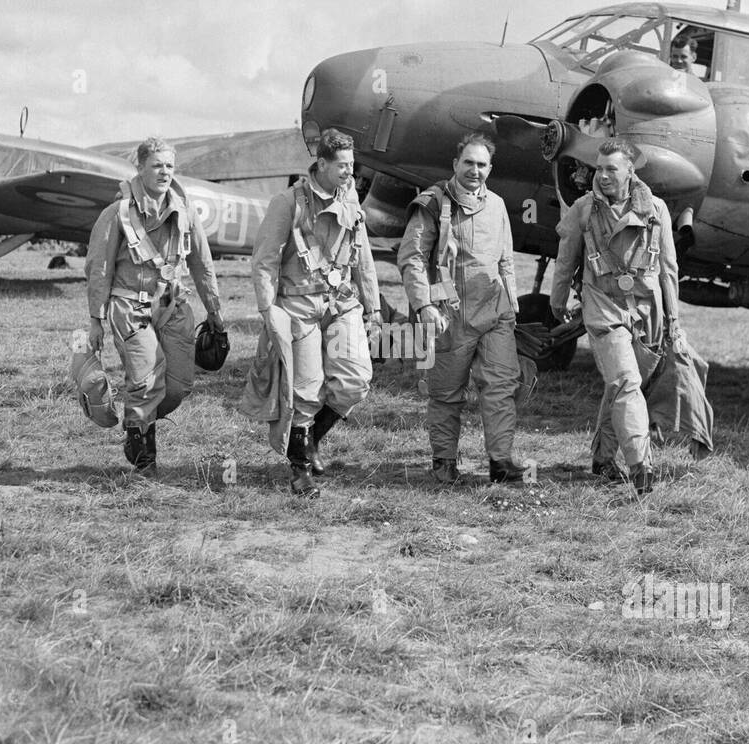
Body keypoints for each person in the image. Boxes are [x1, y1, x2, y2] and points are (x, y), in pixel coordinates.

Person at [550, 138, 692, 495]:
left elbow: (668, 270)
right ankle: (641, 466)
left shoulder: (656, 209)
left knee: (625, 384)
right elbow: (566, 258)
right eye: (599, 168)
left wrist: (674, 321)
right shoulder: (584, 209)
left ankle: (602, 458)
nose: (603, 175)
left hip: (646, 312)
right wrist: (557, 302)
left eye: (611, 168)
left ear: (631, 171)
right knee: (626, 381)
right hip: (602, 307)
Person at [248, 128, 381, 496]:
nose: (348, 172)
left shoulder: (351, 201)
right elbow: (264, 261)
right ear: (321, 164)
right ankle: (300, 469)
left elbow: (363, 258)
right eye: (341, 165)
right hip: (300, 307)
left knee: (355, 380)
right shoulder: (288, 203)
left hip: (341, 303)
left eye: (352, 165)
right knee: (306, 390)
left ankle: (311, 441)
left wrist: (374, 308)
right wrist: (267, 310)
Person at [86, 137, 225, 474]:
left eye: (169, 166)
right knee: (147, 381)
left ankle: (137, 424)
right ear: (140, 168)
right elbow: (100, 267)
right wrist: (96, 319)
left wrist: (215, 312)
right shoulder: (116, 213)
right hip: (130, 305)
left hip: (173, 303)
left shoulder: (186, 210)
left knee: (177, 387)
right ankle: (145, 458)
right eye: (156, 166)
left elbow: (202, 265)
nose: (164, 172)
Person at [399, 133, 525, 484]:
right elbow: (411, 258)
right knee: (445, 393)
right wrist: (424, 305)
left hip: (494, 312)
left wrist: (512, 308)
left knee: (501, 386)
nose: (475, 170)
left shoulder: (498, 205)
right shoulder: (432, 204)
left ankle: (500, 462)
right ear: (455, 164)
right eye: (468, 162)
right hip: (447, 316)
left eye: (482, 164)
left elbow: (506, 261)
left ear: (490, 168)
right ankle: (444, 461)